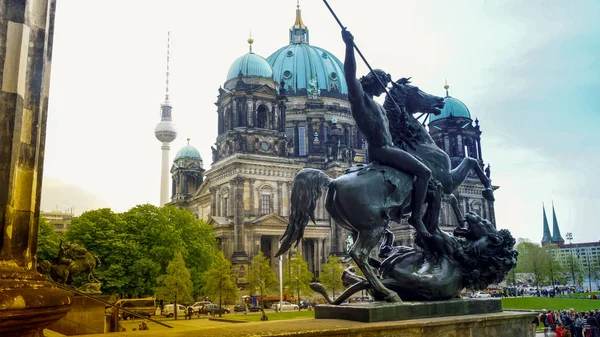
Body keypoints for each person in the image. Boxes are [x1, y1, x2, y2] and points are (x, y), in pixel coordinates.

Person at [342, 28, 432, 238]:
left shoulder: (379, 107)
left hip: (388, 147)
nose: (384, 90)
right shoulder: (360, 100)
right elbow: (349, 74)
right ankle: (416, 218)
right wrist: (348, 46)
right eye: (382, 82)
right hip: (382, 150)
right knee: (424, 172)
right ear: (373, 81)